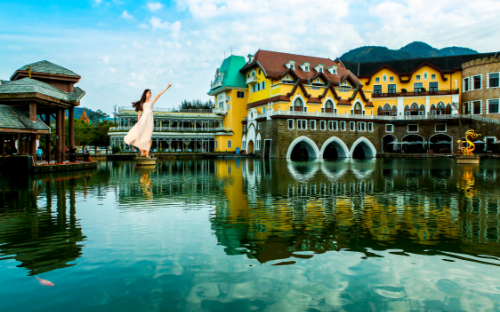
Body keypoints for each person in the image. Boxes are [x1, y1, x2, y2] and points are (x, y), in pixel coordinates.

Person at [124, 85, 171, 158]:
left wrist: (167, 88)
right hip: (143, 121)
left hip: (150, 122)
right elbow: (139, 113)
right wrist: (138, 122)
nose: (151, 94)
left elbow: (159, 94)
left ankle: (147, 154)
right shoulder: (141, 103)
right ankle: (142, 152)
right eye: (149, 93)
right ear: (145, 93)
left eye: (151, 93)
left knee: (148, 137)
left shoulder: (152, 101)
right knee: (140, 136)